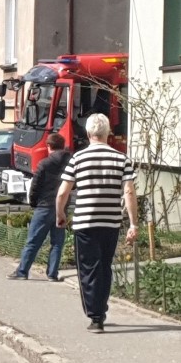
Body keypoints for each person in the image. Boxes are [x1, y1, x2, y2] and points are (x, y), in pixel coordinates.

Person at [56, 113, 138, 334]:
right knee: (104, 266)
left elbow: (63, 192)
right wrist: (133, 223)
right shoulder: (122, 159)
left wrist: (60, 214)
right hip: (110, 222)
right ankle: (101, 307)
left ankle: (96, 316)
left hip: (85, 222)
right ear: (108, 132)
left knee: (88, 269)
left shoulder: (77, 158)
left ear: (88, 133)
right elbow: (129, 191)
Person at [7, 133, 71, 281]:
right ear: (62, 146)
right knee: (57, 242)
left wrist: (33, 202)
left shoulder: (44, 164)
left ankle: (22, 271)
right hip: (62, 207)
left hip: (44, 207)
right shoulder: (70, 163)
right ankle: (52, 274)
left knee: (33, 241)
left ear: (49, 146)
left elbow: (35, 187)